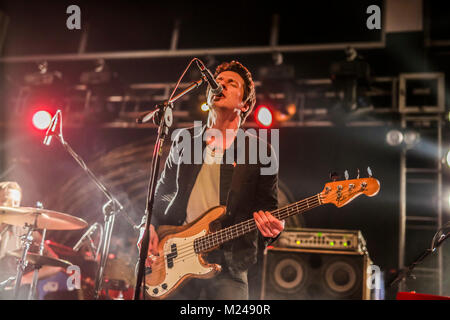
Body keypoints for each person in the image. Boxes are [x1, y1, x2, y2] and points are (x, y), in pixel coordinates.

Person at [137, 60, 285, 300]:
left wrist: (275, 229)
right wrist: (149, 225)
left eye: (231, 83)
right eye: (218, 82)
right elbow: (163, 191)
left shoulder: (260, 151)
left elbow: (268, 210)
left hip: (229, 263)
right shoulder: (185, 140)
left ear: (245, 103)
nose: (221, 85)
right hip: (175, 255)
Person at [0, 181, 63, 299]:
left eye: (16, 202)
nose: (12, 207)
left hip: (14, 293)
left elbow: (55, 265)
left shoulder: (27, 232)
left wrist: (24, 279)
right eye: (5, 201)